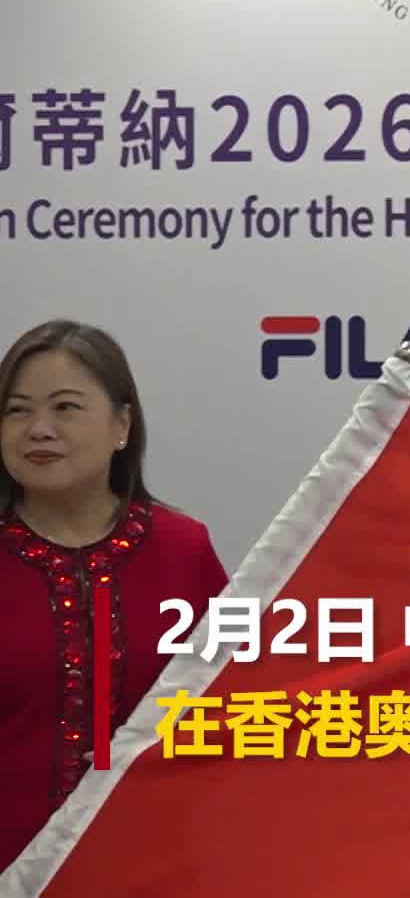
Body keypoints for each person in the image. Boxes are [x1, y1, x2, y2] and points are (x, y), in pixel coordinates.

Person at [0, 320, 228, 870]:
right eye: (17, 410)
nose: (39, 429)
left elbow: (240, 702)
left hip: (155, 863)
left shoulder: (184, 548)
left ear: (121, 426)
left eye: (65, 407)